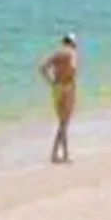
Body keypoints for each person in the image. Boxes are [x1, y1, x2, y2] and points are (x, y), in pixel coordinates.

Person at [38, 33, 80, 165]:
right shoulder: (72, 53)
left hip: (56, 88)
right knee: (64, 123)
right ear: (72, 43)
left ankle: (62, 154)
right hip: (67, 88)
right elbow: (73, 68)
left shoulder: (57, 54)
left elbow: (42, 68)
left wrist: (51, 83)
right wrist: (71, 80)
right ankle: (57, 154)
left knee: (62, 122)